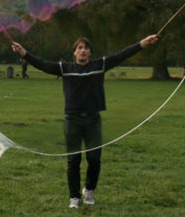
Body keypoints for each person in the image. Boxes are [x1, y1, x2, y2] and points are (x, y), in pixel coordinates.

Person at [12, 34, 160, 209]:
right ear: (74, 52)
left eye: (86, 48)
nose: (83, 50)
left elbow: (122, 54)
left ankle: (89, 189)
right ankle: (74, 197)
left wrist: (143, 44)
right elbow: (43, 64)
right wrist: (24, 53)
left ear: (90, 53)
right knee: (73, 161)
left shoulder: (99, 65)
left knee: (94, 159)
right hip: (72, 121)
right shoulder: (65, 68)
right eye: (79, 48)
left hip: (93, 121)